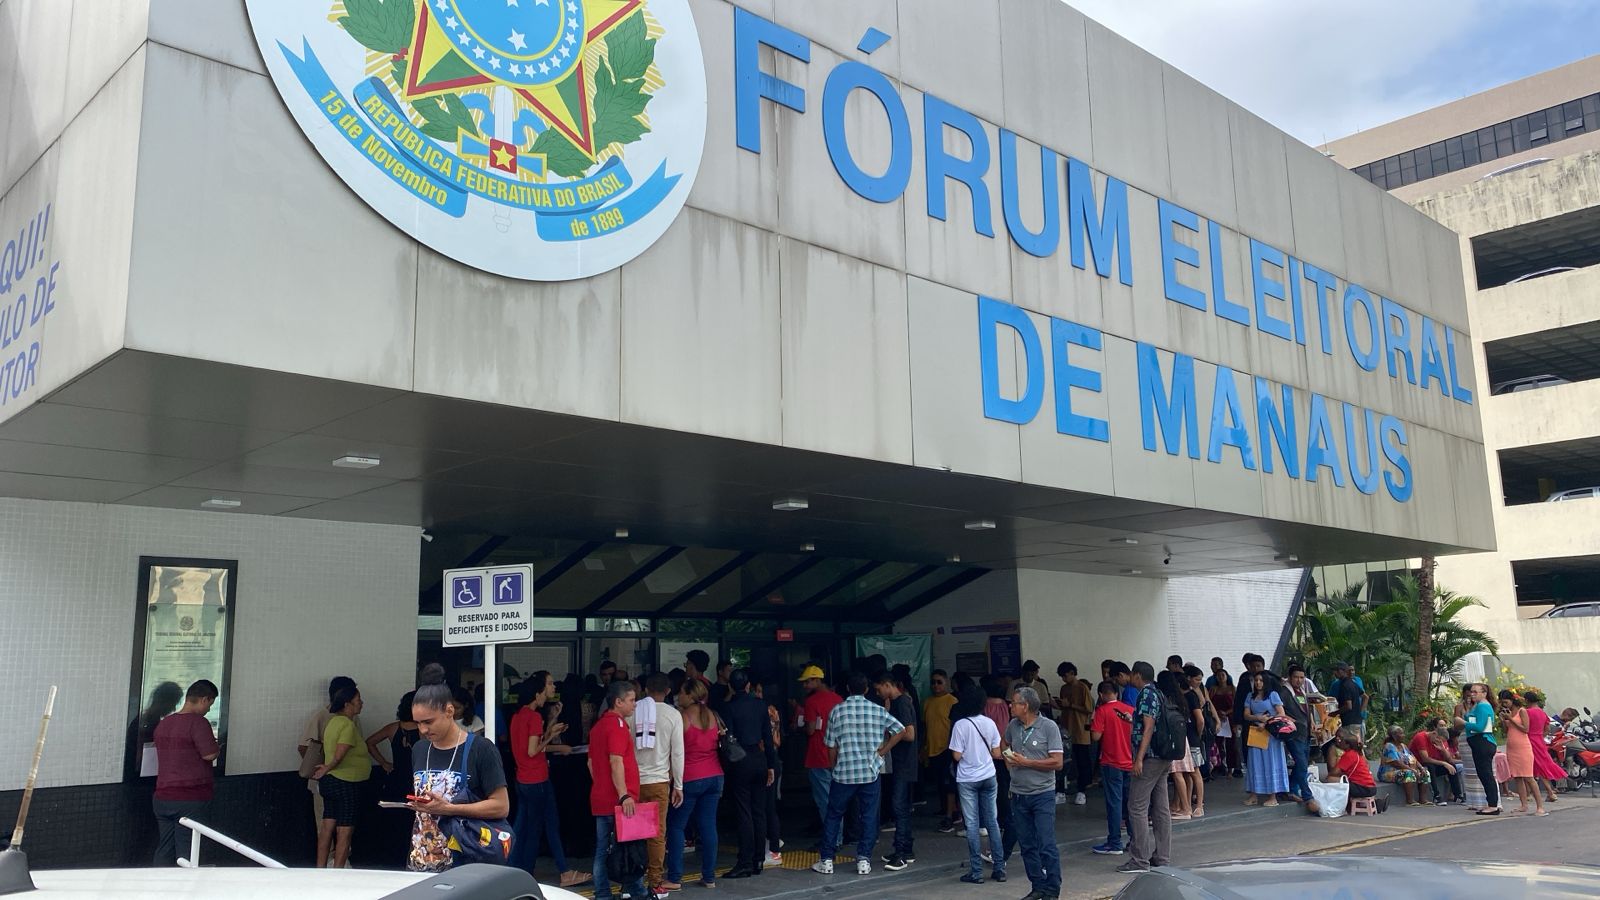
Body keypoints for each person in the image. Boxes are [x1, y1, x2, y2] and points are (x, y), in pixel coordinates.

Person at [408, 664, 511, 873]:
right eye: (418, 723)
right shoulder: (419, 749)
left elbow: (501, 806)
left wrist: (450, 809)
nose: (423, 729)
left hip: (466, 865)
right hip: (420, 861)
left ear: (449, 711)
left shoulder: (481, 749)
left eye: (428, 721)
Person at [811, 671, 905, 877]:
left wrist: (832, 765)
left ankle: (826, 859)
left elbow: (830, 744)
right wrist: (882, 752)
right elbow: (900, 730)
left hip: (843, 773)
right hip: (870, 772)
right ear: (866, 689)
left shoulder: (837, 711)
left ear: (847, 689)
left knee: (833, 815)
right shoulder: (877, 710)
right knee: (869, 816)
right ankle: (863, 859)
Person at [508, 672, 587, 887]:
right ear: (538, 692)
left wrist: (552, 721)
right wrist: (552, 737)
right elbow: (534, 750)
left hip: (522, 779)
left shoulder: (519, 716)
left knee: (522, 826)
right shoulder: (533, 717)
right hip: (537, 778)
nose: (553, 688)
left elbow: (529, 744)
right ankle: (554, 871)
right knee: (543, 826)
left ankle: (515, 868)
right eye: (550, 684)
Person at [587, 680, 650, 900]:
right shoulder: (618, 726)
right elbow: (616, 761)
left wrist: (602, 784)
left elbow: (591, 764)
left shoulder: (597, 727)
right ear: (618, 701)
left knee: (603, 849)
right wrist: (624, 794)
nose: (635, 704)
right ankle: (637, 891)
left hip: (601, 797)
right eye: (632, 700)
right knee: (631, 847)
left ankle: (603, 893)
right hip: (620, 800)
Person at [151, 679, 220, 866]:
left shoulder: (164, 723)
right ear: (204, 699)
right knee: (188, 852)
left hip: (162, 797)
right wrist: (218, 747)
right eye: (210, 704)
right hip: (190, 799)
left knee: (165, 848)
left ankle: (159, 888)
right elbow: (209, 754)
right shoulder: (198, 723)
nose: (208, 710)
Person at [1003, 685, 1063, 899]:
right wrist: (1008, 759)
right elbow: (1005, 743)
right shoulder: (1013, 725)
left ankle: (1053, 889)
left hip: (1042, 794)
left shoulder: (1048, 727)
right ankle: (1037, 886)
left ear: (1025, 706)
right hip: (1018, 794)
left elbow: (1057, 762)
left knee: (1046, 843)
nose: (1010, 705)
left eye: (1014, 702)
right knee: (1027, 844)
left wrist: (1026, 762)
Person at [721, 668, 778, 879]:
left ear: (730, 686)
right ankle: (759, 859)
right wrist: (771, 765)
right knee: (759, 811)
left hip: (740, 760)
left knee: (744, 811)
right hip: (760, 759)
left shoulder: (729, 707)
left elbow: (729, 739)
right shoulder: (760, 705)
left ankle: (745, 861)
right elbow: (768, 738)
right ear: (748, 685)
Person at [666, 679, 722, 890]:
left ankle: (674, 878)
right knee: (708, 826)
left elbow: (675, 749)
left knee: (676, 826)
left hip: (689, 777)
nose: (679, 696)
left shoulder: (683, 717)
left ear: (690, 695)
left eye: (681, 692)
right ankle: (709, 877)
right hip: (715, 775)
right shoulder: (713, 715)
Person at [948, 686, 1004, 885]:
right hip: (989, 775)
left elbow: (956, 755)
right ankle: (999, 868)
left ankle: (977, 872)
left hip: (968, 779)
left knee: (972, 825)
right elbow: (997, 753)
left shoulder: (960, 725)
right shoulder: (989, 723)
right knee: (992, 823)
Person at [633, 673, 683, 893]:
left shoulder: (632, 711)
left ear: (645, 689)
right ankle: (655, 881)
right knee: (656, 834)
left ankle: (633, 878)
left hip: (634, 781)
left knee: (634, 832)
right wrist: (679, 785)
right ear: (669, 691)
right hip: (660, 781)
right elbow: (678, 754)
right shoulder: (673, 715)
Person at [1119, 662, 1170, 875]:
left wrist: (1138, 758)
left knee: (1136, 807)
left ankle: (1139, 859)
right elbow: (1150, 723)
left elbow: (1148, 727)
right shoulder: (1159, 693)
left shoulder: (1146, 694)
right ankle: (1162, 856)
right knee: (1160, 807)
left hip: (1149, 757)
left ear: (1138, 675)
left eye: (1132, 674)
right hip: (1163, 756)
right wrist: (1132, 720)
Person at [312, 684, 370, 868]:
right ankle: (338, 872)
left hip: (330, 782)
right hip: (346, 782)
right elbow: (340, 752)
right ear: (347, 704)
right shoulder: (347, 724)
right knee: (344, 830)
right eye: (358, 700)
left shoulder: (333, 722)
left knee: (327, 826)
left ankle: (320, 869)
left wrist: (327, 770)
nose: (361, 703)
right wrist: (328, 767)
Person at [298, 675, 357, 841]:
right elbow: (303, 747)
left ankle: (342, 859)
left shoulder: (353, 718)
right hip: (323, 780)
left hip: (347, 779)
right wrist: (321, 769)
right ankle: (329, 861)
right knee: (325, 824)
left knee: (345, 824)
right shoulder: (322, 716)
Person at [873, 670, 919, 871]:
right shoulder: (897, 703)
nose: (878, 693)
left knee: (899, 807)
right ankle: (905, 849)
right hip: (903, 763)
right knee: (902, 808)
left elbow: (909, 734)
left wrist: (886, 747)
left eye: (878, 689)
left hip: (903, 763)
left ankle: (900, 853)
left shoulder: (901, 703)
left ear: (886, 684)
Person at [797, 664, 843, 832]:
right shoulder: (838, 699)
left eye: (807, 682)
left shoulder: (811, 702)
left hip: (818, 754)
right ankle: (838, 835)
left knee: (824, 800)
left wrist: (798, 726)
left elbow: (809, 729)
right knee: (837, 798)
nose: (804, 686)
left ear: (817, 680)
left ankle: (832, 838)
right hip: (838, 754)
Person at [1090, 680, 1133, 856]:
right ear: (1117, 692)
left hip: (1111, 762)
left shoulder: (1101, 711)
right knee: (1131, 803)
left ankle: (1115, 842)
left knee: (1114, 803)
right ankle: (1135, 839)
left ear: (1101, 695)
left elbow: (1095, 736)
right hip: (1130, 762)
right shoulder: (1130, 710)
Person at [1241, 672, 1289, 806]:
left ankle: (1273, 796)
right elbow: (1246, 715)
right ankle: (1254, 794)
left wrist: (1267, 722)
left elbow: (1281, 713)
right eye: (1256, 680)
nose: (1258, 683)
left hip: (1270, 734)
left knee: (1271, 762)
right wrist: (1257, 718)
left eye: (1261, 680)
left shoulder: (1273, 695)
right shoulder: (1250, 696)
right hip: (1256, 732)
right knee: (1254, 762)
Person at [922, 670, 960, 834]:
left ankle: (952, 813)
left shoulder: (952, 701)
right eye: (933, 682)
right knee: (939, 782)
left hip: (947, 747)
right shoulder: (928, 702)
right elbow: (925, 725)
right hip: (932, 748)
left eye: (939, 682)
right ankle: (945, 808)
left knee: (949, 782)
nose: (935, 685)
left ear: (946, 682)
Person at [1499, 689, 1546, 816]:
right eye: (1502, 703)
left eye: (1506, 702)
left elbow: (1526, 729)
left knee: (1528, 777)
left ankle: (1540, 806)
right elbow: (1505, 731)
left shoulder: (1522, 711)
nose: (1505, 705)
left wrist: (1511, 719)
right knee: (1518, 777)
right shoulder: (1508, 712)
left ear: (1512, 700)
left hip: (1523, 747)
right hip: (1512, 747)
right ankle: (1523, 804)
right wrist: (1503, 720)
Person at [1162, 671, 1201, 820]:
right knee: (1185, 773)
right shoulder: (1181, 698)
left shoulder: (1168, 699)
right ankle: (1182, 806)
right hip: (1182, 738)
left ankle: (1185, 808)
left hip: (1173, 739)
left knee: (1178, 773)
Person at [1458, 682, 1501, 815]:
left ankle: (1493, 804)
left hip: (1483, 742)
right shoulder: (1478, 706)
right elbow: (1474, 720)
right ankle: (1491, 803)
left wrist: (1463, 723)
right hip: (1478, 743)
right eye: (1472, 692)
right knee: (1483, 773)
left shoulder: (1483, 706)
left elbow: (1480, 726)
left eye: (1476, 692)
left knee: (1486, 774)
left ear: (1484, 693)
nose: (1472, 694)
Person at [1280, 664, 1319, 804]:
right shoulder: (1284, 692)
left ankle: (1291, 789)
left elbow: (1307, 709)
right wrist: (1289, 720)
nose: (1299, 680)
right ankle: (1308, 796)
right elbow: (1279, 711)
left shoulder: (1302, 690)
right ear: (1290, 677)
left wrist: (1312, 722)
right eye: (1296, 677)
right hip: (1294, 733)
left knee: (1302, 764)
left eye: (1302, 677)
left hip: (1306, 732)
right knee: (1302, 764)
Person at [1056, 662, 1094, 806]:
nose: (1064, 679)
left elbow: (1089, 708)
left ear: (1072, 673)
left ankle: (1081, 791)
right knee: (1064, 763)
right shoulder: (1063, 688)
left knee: (1082, 763)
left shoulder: (1082, 688)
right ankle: (1061, 792)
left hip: (1080, 731)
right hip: (1066, 731)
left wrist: (1070, 705)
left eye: (1065, 676)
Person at [1410, 717, 1465, 805]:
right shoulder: (1421, 737)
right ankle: (1436, 796)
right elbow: (1425, 758)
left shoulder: (1441, 741)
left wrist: (1442, 749)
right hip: (1420, 764)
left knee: (1451, 766)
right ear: (1434, 733)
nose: (1439, 742)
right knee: (1430, 767)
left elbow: (1449, 759)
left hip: (1435, 763)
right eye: (1438, 739)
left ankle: (1458, 795)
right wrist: (1443, 763)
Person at [1523, 691, 1565, 803]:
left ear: (1527, 700)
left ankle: (1532, 793)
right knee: (1541, 766)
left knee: (1530, 766)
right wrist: (1539, 736)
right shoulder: (1542, 713)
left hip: (1529, 740)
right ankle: (1547, 792)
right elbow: (1547, 730)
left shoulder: (1527, 712)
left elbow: (1524, 727)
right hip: (1540, 740)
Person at [1330, 728, 1380, 814]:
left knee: (1330, 779)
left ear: (1347, 744)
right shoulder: (1358, 753)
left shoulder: (1348, 755)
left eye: (1341, 740)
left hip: (1363, 788)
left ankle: (1341, 806)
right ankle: (1377, 803)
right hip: (1371, 787)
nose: (1339, 741)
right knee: (1343, 780)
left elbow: (1334, 772)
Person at [1379, 725, 1431, 806]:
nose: (1403, 735)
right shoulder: (1389, 746)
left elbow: (1413, 758)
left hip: (1404, 769)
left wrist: (1421, 768)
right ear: (1394, 736)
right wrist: (1412, 770)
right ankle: (1410, 800)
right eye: (1401, 734)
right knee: (1408, 773)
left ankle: (1423, 799)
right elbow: (1396, 763)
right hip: (1388, 772)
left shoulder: (1403, 746)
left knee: (1426, 772)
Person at [1205, 659, 1238, 777]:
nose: (1220, 677)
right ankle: (1218, 765)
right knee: (1217, 743)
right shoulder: (1213, 688)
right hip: (1217, 718)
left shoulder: (1232, 688)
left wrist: (1227, 712)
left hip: (1229, 718)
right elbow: (1208, 702)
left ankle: (1231, 768)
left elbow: (1236, 704)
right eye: (1218, 676)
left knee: (1231, 744)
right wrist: (1217, 713)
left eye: (1223, 675)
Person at [1331, 662, 1366, 743]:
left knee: (1350, 744)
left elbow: (1348, 706)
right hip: (1356, 720)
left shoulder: (1345, 685)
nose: (1334, 673)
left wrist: (1335, 713)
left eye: (1336, 671)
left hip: (1349, 721)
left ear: (1341, 671)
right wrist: (1359, 712)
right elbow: (1365, 697)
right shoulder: (1353, 683)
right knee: (1357, 743)